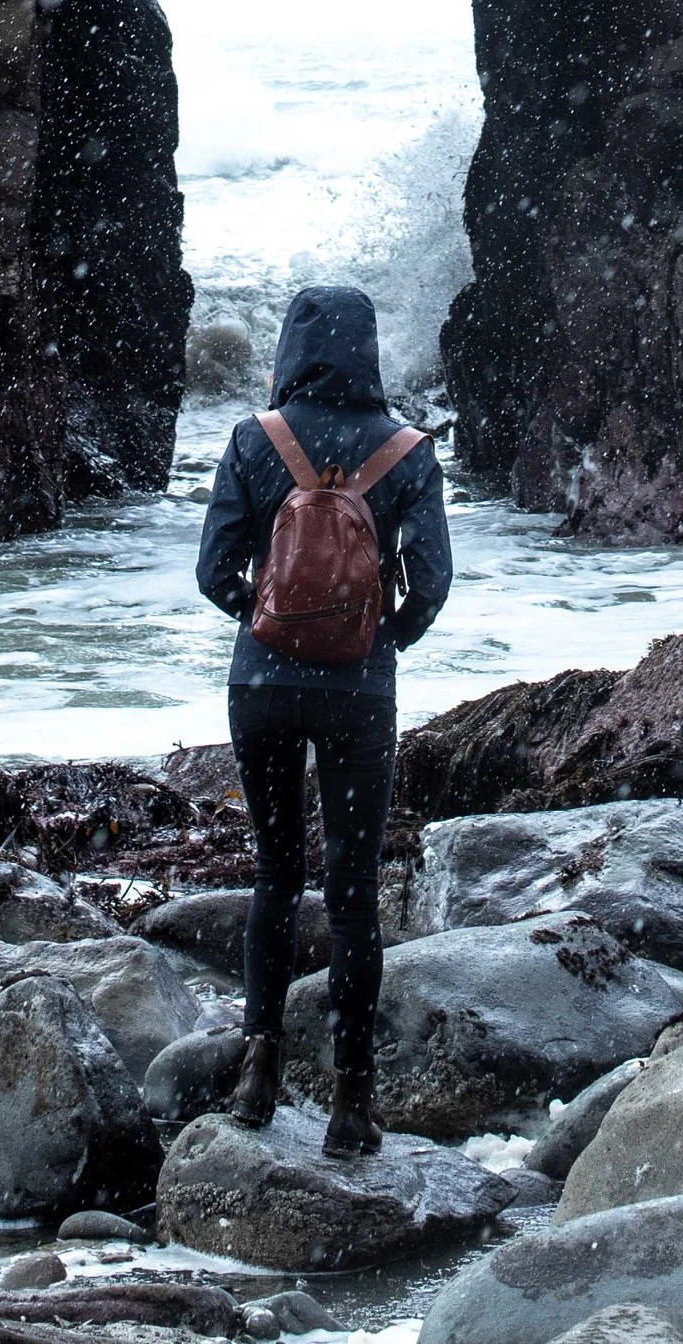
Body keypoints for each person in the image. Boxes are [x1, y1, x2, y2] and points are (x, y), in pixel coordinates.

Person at [194, 285, 452, 1157]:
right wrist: (381, 637)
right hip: (359, 695)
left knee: (275, 875)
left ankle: (258, 1070)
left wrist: (267, 619)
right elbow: (433, 582)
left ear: (291, 349)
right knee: (351, 894)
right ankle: (350, 1101)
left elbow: (214, 570)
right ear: (368, 349)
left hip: (262, 686)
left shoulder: (253, 440)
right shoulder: (408, 451)